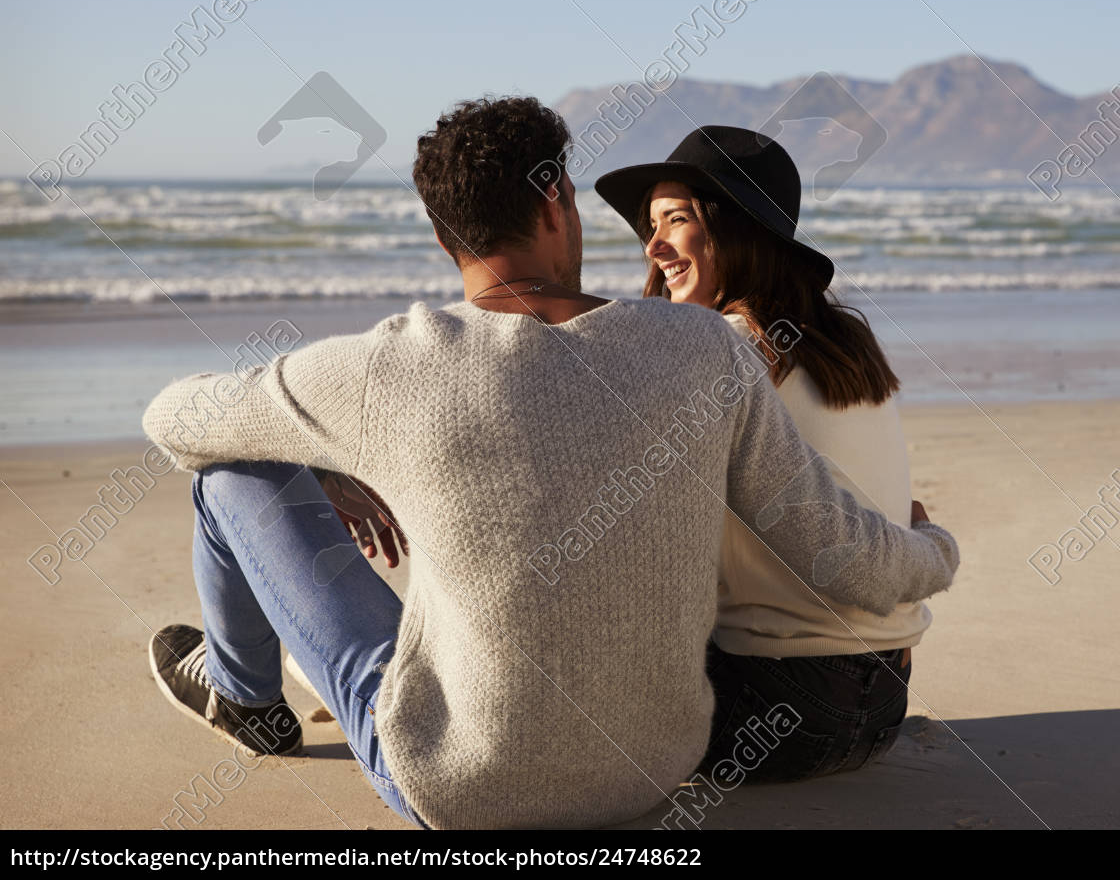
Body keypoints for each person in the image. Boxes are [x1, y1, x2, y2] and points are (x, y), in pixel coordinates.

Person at [141, 97, 960, 829]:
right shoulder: (704, 349)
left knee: (231, 475)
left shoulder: (384, 367)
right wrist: (937, 550)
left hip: (458, 790)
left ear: (440, 234)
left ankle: (242, 695)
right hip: (652, 774)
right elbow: (841, 551)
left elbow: (171, 416)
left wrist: (307, 450)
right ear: (558, 201)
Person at [596, 126, 951, 783]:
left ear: (733, 229)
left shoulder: (718, 351)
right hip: (881, 704)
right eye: (651, 225)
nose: (653, 246)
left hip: (764, 714)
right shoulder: (844, 341)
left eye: (676, 219)